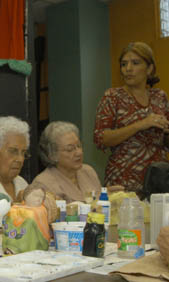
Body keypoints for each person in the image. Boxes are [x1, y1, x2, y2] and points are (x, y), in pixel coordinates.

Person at [94, 42, 169, 199]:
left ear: (149, 69)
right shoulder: (113, 97)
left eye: (135, 63)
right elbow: (101, 138)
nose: (128, 69)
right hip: (123, 182)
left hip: (158, 180)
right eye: (124, 64)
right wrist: (141, 124)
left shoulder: (160, 97)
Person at [27, 121, 122, 203]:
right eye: (70, 149)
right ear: (52, 155)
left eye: (79, 146)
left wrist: (107, 196)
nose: (79, 153)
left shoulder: (88, 171)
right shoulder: (43, 183)